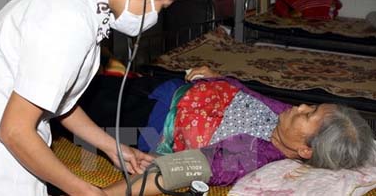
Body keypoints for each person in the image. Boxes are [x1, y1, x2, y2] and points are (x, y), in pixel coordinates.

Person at [0, 0, 212, 195]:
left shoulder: (76, 1)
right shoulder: (69, 18)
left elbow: (58, 103)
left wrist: (114, 148)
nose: (156, 15)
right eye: (161, 6)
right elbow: (14, 130)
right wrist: (86, 190)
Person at [101, 66, 376, 195]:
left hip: (143, 116)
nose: (301, 105)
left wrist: (100, 195)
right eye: (311, 106)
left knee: (76, 99)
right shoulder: (286, 120)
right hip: (165, 88)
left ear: (305, 149)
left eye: (309, 114)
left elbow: (176, 171)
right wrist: (216, 77)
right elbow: (245, 95)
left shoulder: (251, 154)